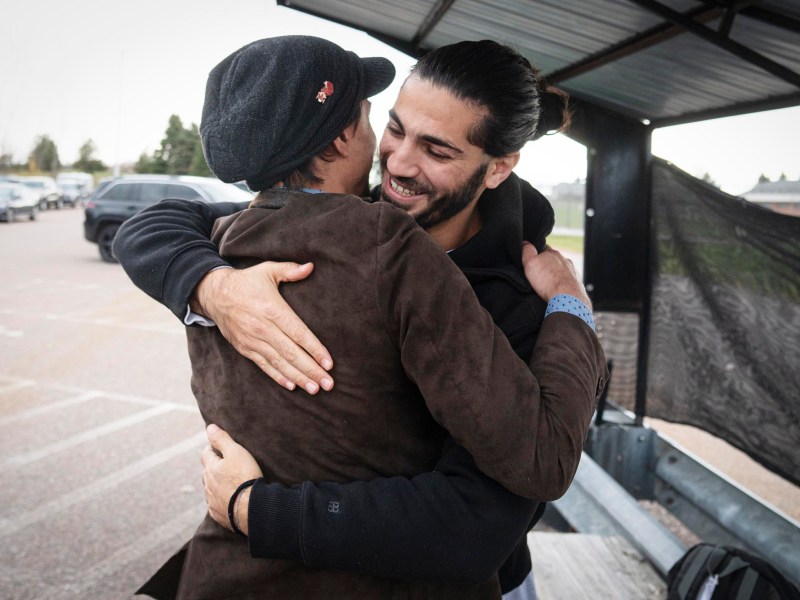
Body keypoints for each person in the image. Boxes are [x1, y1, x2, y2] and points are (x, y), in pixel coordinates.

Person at [119, 38, 607, 599]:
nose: (398, 163)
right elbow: (158, 223)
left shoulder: (520, 304)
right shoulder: (335, 225)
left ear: (498, 168)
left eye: (437, 151)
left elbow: (476, 528)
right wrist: (213, 285)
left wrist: (253, 509)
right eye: (395, 128)